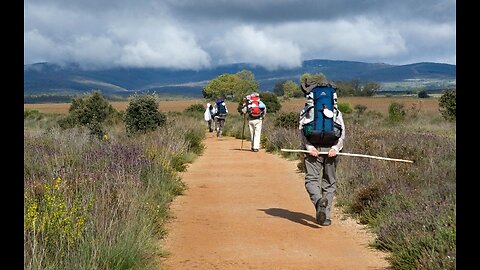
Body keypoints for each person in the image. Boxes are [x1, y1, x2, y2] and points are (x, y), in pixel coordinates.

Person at [299, 93, 345, 226]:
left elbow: (301, 131)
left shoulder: (307, 110)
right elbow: (342, 132)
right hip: (331, 151)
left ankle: (319, 201)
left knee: (311, 180)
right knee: (329, 182)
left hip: (314, 151)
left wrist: (309, 147)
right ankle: (326, 217)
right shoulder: (335, 111)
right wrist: (335, 148)